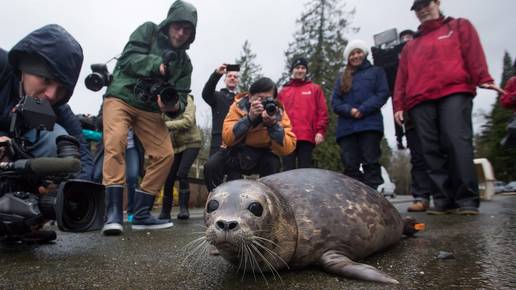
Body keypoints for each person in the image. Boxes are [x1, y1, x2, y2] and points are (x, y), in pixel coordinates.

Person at [393, 0, 503, 215]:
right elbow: (402, 78)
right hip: (419, 99)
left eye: (426, 4)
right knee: (430, 149)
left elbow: (473, 53)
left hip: (454, 91)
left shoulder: (459, 26)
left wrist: (483, 77)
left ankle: (466, 199)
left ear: (437, 3)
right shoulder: (411, 46)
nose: (422, 10)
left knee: (456, 141)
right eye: (417, 8)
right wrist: (399, 104)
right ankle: (443, 200)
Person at [101, 0, 197, 235]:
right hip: (121, 96)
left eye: (187, 29)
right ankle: (113, 212)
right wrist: (158, 65)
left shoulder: (185, 64)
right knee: (116, 142)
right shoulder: (149, 31)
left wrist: (172, 105)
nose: (181, 33)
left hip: (150, 109)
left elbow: (182, 99)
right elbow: (128, 58)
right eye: (177, 26)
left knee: (165, 155)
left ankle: (142, 212)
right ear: (168, 24)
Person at [0, 24, 91, 243]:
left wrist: (70, 195)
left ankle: (23, 219)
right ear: (25, 66)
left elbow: (83, 157)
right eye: (47, 80)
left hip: (18, 162)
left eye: (61, 89)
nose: (51, 95)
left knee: (59, 139)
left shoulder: (57, 107)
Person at [204, 77, 297, 192]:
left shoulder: (278, 112)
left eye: (268, 99)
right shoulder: (238, 106)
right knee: (211, 166)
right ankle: (216, 198)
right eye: (259, 98)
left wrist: (273, 125)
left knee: (272, 163)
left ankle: (267, 201)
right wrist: (249, 118)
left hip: (263, 153)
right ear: (249, 97)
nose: (263, 103)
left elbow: (288, 148)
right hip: (236, 150)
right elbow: (227, 137)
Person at [331, 39, 390, 190]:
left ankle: (373, 195)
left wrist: (363, 109)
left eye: (358, 52)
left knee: (371, 161)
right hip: (347, 128)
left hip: (370, 124)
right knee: (350, 164)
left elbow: (382, 93)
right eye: (352, 54)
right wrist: (350, 110)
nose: (356, 56)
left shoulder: (376, 72)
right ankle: (354, 195)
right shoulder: (342, 77)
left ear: (364, 54)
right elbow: (335, 102)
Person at [278, 57, 328, 170]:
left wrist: (320, 131)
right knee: (288, 172)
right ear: (292, 70)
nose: (300, 70)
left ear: (306, 71)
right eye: (297, 68)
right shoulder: (283, 91)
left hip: (307, 137)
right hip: (287, 137)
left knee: (305, 171)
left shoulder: (315, 89)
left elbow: (322, 111)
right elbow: (277, 114)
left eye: (303, 68)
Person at [159, 94, 202, 220]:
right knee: (169, 177)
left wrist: (165, 125)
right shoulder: (161, 101)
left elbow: (188, 121)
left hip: (191, 142)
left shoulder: (186, 99)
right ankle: (165, 211)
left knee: (182, 173)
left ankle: (184, 209)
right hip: (173, 146)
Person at [202, 64, 240, 156]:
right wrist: (216, 74)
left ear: (238, 81)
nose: (232, 78)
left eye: (235, 77)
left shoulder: (243, 99)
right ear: (224, 79)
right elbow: (206, 93)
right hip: (219, 142)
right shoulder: (217, 96)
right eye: (229, 76)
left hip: (238, 143)